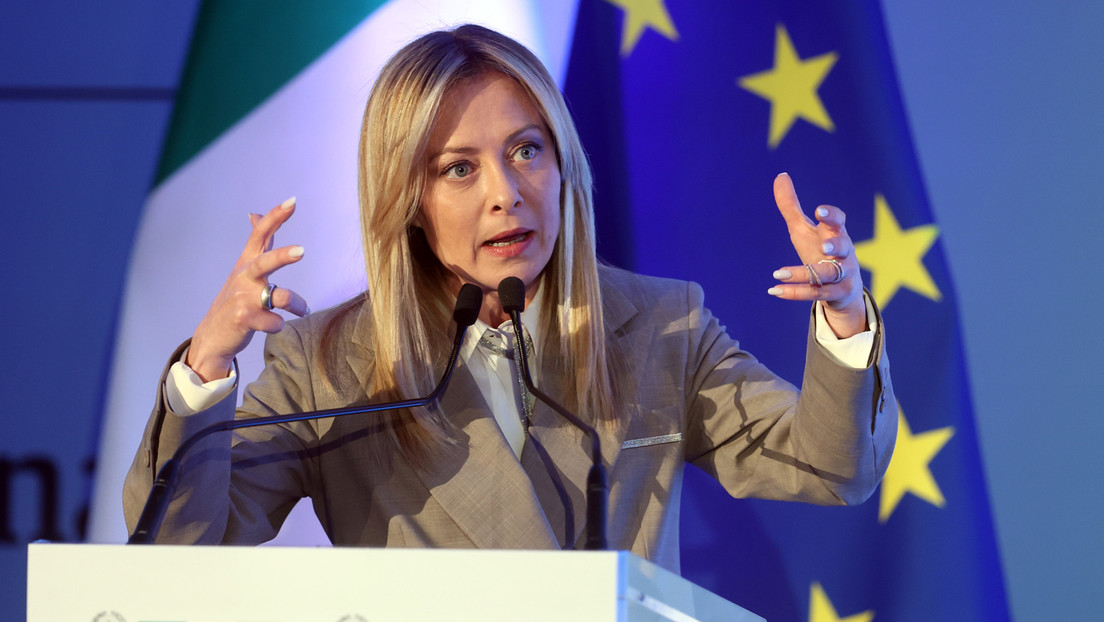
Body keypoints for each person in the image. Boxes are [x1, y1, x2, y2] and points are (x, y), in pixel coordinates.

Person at [124, 24, 896, 573]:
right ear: (408, 199)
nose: (506, 193)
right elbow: (181, 548)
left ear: (563, 167)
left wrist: (844, 315)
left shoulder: (662, 327)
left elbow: (833, 467)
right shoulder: (327, 364)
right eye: (459, 168)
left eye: (527, 150)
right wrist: (207, 365)